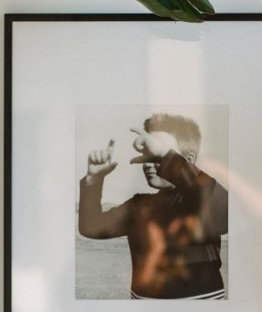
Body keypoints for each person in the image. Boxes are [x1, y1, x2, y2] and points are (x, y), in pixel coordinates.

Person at [78, 113, 228, 299]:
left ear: (188, 158)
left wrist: (168, 158)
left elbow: (224, 215)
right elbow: (90, 227)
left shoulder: (203, 202)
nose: (149, 164)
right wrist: (93, 180)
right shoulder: (139, 206)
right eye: (146, 155)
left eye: (158, 155)